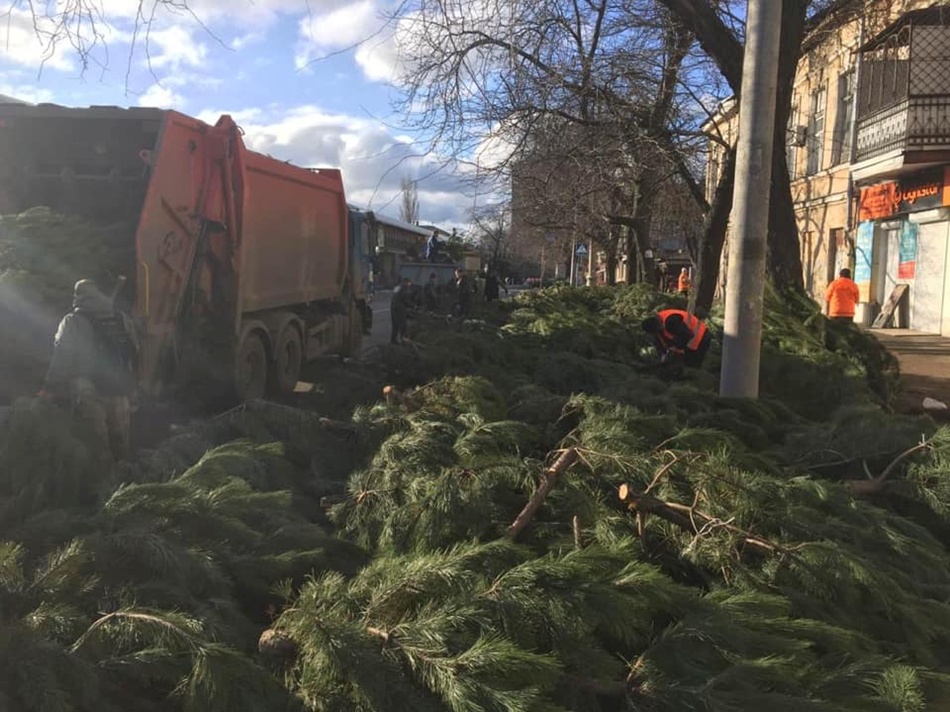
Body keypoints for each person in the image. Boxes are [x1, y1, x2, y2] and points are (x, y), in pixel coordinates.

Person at [37, 279, 139, 460]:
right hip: (118, 388)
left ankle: (103, 483)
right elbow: (134, 350)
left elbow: (62, 356)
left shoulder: (72, 321)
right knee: (122, 442)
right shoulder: (121, 317)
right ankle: (126, 481)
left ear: (77, 296)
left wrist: (49, 387)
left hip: (87, 389)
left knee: (96, 444)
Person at [641, 309, 711, 370]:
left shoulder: (671, 321)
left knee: (692, 365)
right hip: (688, 339)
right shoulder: (656, 324)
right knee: (681, 361)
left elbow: (687, 336)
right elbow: (658, 342)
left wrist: (676, 348)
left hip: (702, 336)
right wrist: (663, 355)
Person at [390, 277, 413, 344]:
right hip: (399, 308)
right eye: (409, 283)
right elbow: (405, 298)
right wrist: (412, 305)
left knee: (395, 325)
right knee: (403, 325)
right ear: (406, 282)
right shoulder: (404, 287)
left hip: (393, 307)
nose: (409, 285)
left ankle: (393, 340)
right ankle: (403, 340)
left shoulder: (397, 287)